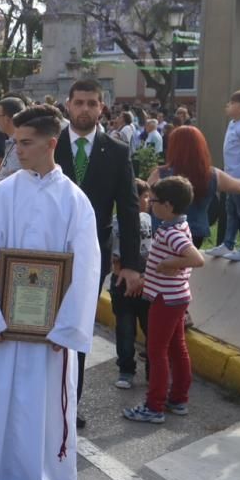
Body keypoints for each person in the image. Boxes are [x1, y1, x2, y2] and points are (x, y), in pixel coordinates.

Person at [0, 104, 100, 480]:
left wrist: (66, 328)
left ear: (52, 143)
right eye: (15, 142)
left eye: (26, 143)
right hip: (2, 324)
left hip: (47, 332)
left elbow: (85, 269)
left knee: (39, 402)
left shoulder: (75, 201)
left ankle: (39, 473)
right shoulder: (4, 194)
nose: (18, 151)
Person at [55, 79, 141, 428]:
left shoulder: (117, 152)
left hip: (93, 258)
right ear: (68, 105)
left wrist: (132, 265)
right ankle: (40, 399)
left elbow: (130, 208)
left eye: (92, 103)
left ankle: (69, 404)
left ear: (101, 107)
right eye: (79, 103)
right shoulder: (50, 144)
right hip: (44, 256)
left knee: (77, 330)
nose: (85, 109)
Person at [122, 176, 205, 424]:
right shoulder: (177, 226)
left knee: (156, 352)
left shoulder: (172, 233)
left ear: (168, 206)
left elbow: (197, 259)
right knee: (176, 348)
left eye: (155, 201)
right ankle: (178, 399)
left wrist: (171, 263)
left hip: (165, 300)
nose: (151, 204)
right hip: (175, 297)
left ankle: (154, 406)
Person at [148, 126, 240, 248]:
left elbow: (147, 200)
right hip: (196, 232)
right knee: (186, 266)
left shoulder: (160, 174)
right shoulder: (212, 174)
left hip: (163, 232)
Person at [112, 179, 153, 390]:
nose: (148, 201)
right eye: (144, 197)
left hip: (147, 283)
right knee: (125, 329)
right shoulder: (116, 223)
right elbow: (114, 259)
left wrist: (143, 279)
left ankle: (152, 372)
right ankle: (126, 369)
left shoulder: (148, 219)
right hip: (122, 285)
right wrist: (128, 280)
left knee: (151, 329)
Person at [209, 91, 240, 260]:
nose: (227, 106)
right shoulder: (233, 124)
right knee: (230, 210)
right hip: (231, 179)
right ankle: (227, 243)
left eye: (232, 103)